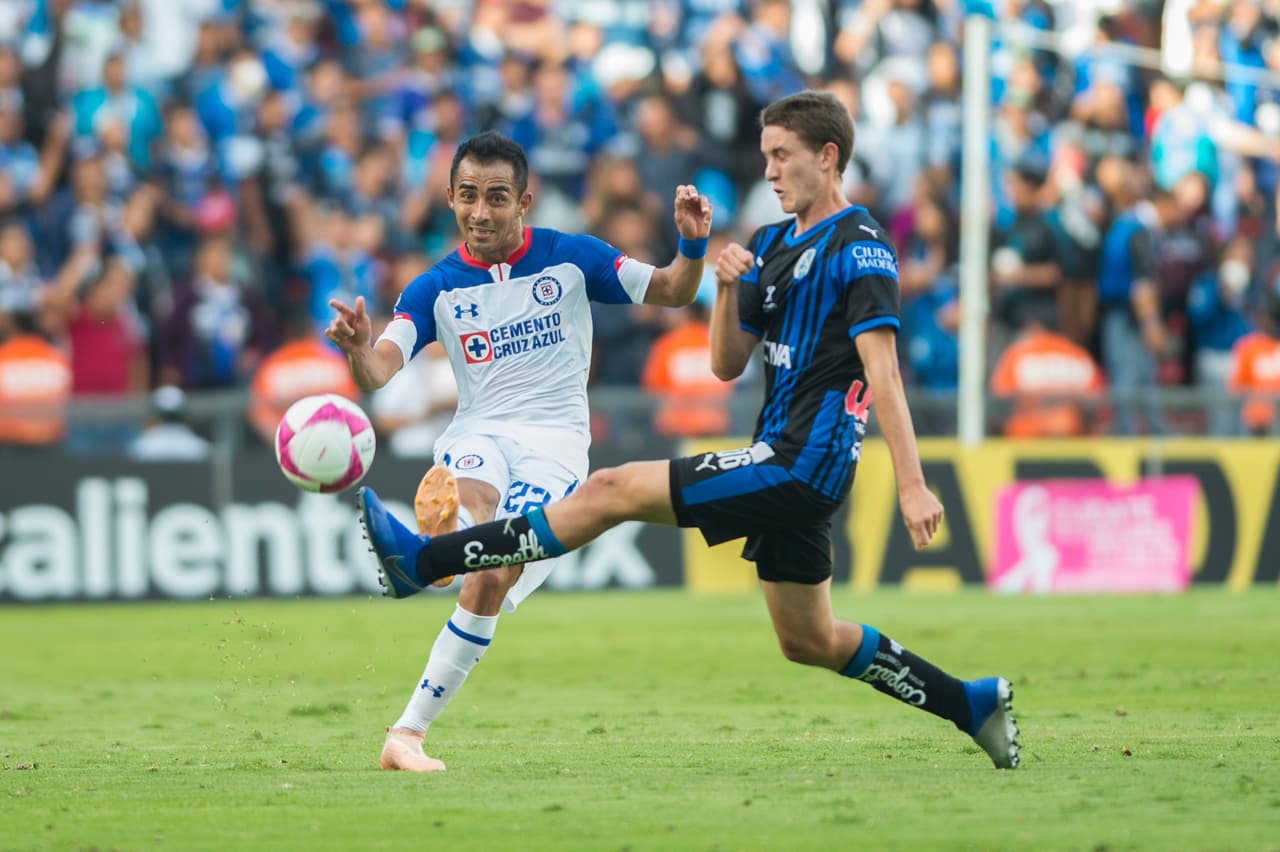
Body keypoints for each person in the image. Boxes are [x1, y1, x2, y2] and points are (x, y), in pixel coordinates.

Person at [357, 93, 1020, 770]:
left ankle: (424, 562)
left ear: (827, 158)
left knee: (611, 490)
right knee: (809, 639)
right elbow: (726, 363)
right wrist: (725, 284)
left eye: (781, 156)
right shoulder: (770, 245)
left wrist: (912, 483)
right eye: (765, 156)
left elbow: (884, 372)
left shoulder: (863, 247)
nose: (768, 171)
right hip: (777, 455)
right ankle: (971, 705)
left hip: (805, 458)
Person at [325, 130, 712, 772]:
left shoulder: (574, 258)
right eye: (468, 196)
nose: (480, 212)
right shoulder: (434, 288)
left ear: (524, 201)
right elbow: (381, 370)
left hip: (555, 447)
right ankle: (441, 549)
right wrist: (358, 349)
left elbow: (673, 290)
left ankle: (431, 579)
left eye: (497, 197)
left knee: (491, 573)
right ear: (450, 198)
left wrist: (692, 243)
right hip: (477, 431)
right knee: (478, 511)